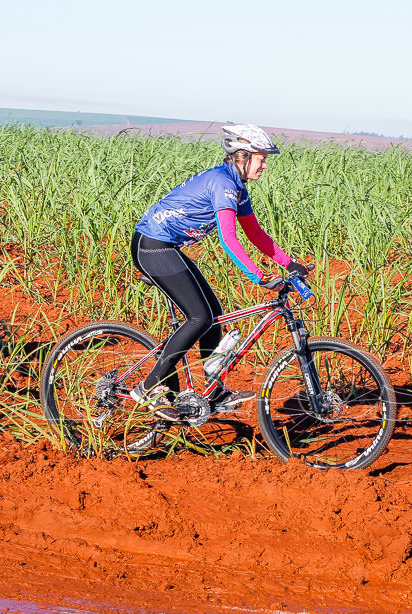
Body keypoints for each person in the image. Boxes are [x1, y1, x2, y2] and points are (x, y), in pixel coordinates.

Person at [131, 123, 307, 418]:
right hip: (152, 247)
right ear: (241, 156)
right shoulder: (223, 183)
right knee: (199, 316)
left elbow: (255, 233)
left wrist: (289, 263)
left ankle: (215, 391)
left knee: (213, 314)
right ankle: (149, 387)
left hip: (168, 248)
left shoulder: (237, 188)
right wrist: (259, 277)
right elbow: (228, 238)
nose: (264, 164)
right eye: (261, 158)